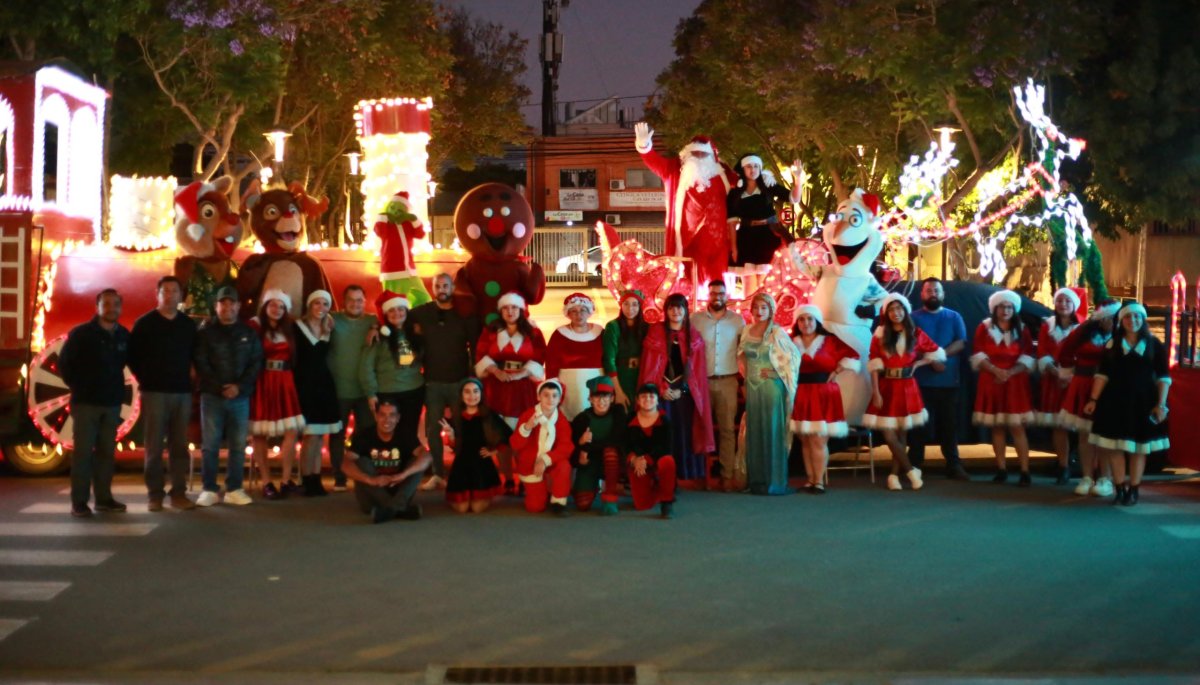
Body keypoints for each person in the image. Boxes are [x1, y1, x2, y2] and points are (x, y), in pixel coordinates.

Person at [1086, 303, 1171, 506]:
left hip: (1143, 403)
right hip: (1114, 402)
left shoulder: (1154, 345)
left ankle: (1133, 489)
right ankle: (1120, 488)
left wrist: (1161, 404)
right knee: (1115, 448)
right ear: (1121, 321)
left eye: (1136, 317)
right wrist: (1093, 400)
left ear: (1142, 320)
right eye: (1127, 317)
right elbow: (1102, 375)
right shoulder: (1112, 345)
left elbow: (1163, 377)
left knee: (1138, 449)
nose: (1132, 321)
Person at [633, 122, 738, 286]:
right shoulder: (674, 170)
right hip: (688, 240)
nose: (699, 157)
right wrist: (644, 146)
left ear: (711, 156)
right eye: (695, 153)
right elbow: (653, 161)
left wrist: (765, 177)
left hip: (718, 240)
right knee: (687, 281)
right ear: (687, 154)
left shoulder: (723, 173)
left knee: (718, 282)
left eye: (703, 154)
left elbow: (746, 184)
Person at [863, 294, 946, 492]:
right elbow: (874, 364)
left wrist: (920, 362)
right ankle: (910, 471)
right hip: (887, 386)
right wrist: (875, 391)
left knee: (902, 434)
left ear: (905, 310)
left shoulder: (914, 332)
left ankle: (893, 475)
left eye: (899, 309)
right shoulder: (880, 334)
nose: (896, 313)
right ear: (886, 313)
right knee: (889, 435)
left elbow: (936, 352)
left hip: (908, 386)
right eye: (891, 309)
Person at [128, 276, 197, 511]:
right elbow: (132, 357)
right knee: (154, 445)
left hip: (182, 392)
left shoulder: (188, 325)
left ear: (180, 295)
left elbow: (195, 357)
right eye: (165, 291)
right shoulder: (144, 323)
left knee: (179, 445)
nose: (170, 295)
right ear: (157, 294)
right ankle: (154, 495)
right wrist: (146, 378)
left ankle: (179, 493)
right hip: (154, 392)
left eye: (174, 291)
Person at [59, 289, 130, 517]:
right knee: (82, 454)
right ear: (97, 307)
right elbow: (65, 364)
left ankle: (103, 499)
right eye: (106, 304)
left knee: (106, 454)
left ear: (120, 308)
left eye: (115, 304)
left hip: (111, 403)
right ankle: (78, 503)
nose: (111, 308)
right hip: (86, 403)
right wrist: (78, 387)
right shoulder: (81, 334)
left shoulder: (123, 336)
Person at [192, 286, 262, 506]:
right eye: (223, 303)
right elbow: (201, 363)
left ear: (238, 306)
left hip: (240, 397)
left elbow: (255, 363)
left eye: (232, 303)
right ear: (217, 306)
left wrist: (238, 387)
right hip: (212, 396)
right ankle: (209, 489)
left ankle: (234, 488)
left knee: (238, 445)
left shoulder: (248, 333)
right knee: (210, 445)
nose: (228, 307)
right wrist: (220, 387)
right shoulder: (205, 333)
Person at [411, 272, 480, 491]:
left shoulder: (464, 315)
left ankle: (461, 473)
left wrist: (473, 378)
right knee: (433, 430)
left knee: (461, 429)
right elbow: (398, 316)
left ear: (452, 288)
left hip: (459, 384)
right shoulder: (422, 313)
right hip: (433, 382)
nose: (442, 289)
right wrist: (377, 327)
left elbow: (476, 347)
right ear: (433, 289)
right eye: (438, 286)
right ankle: (438, 474)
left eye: (446, 285)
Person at [475, 292, 546, 492]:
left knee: (523, 435)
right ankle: (507, 478)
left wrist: (522, 373)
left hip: (523, 388)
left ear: (521, 310)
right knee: (501, 436)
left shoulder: (533, 332)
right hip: (497, 386)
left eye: (514, 308)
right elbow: (481, 353)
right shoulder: (491, 331)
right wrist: (496, 371)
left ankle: (524, 477)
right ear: (501, 311)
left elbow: (540, 355)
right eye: (506, 308)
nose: (510, 312)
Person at [643, 293, 715, 488]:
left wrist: (681, 391)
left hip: (684, 396)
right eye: (672, 308)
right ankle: (661, 475)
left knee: (682, 433)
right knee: (662, 434)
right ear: (666, 311)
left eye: (680, 307)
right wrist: (661, 389)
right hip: (660, 395)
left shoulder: (694, 336)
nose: (676, 311)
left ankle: (681, 473)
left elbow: (696, 373)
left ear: (685, 310)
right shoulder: (656, 332)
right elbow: (651, 367)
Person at [790, 304, 860, 493]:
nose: (806, 323)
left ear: (817, 321)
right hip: (801, 394)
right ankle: (810, 479)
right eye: (802, 319)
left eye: (810, 319)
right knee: (805, 439)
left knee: (819, 440)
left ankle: (819, 481)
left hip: (824, 394)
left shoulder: (830, 342)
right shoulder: (790, 342)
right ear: (797, 322)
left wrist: (838, 369)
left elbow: (853, 356)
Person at [969, 290, 1036, 486]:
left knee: (1017, 427)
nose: (1005, 310)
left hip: (1016, 383)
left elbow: (1027, 355)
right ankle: (1001, 469)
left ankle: (1025, 470)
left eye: (1009, 307)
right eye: (1002, 306)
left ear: (1014, 309)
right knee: (997, 426)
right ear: (995, 309)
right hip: (991, 380)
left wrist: (1010, 372)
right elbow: (978, 353)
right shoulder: (984, 328)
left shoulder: (1022, 329)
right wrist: (996, 371)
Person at [908, 277, 970, 480]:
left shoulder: (954, 317)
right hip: (920, 382)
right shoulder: (912, 318)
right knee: (919, 427)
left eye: (936, 290)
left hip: (948, 382)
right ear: (922, 294)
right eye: (929, 290)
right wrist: (931, 360)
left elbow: (961, 343)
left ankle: (953, 464)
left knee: (948, 425)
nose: (933, 293)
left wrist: (939, 355)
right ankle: (914, 465)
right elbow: (908, 345)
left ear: (942, 294)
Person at [737, 292, 799, 495]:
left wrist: (776, 372)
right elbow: (741, 356)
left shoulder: (777, 332)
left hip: (772, 387)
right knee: (754, 430)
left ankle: (774, 481)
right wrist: (745, 379)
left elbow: (794, 358)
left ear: (771, 309)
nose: (759, 311)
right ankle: (757, 481)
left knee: (772, 429)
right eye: (756, 307)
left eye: (764, 308)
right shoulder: (747, 330)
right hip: (752, 386)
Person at [1057, 299, 1120, 497]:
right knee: (1085, 433)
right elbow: (1064, 352)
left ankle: (1105, 478)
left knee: (1104, 435)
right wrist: (1072, 370)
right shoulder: (1083, 331)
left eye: (1113, 317)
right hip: (1083, 384)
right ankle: (1086, 477)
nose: (1110, 320)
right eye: (1107, 317)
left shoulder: (1121, 334)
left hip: (1109, 387)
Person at [248, 289, 305, 500]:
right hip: (263, 380)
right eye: (273, 305)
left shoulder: (290, 329)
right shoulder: (255, 327)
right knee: (260, 433)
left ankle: (285, 479)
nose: (277, 309)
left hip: (285, 380)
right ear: (265, 306)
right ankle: (266, 481)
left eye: (281, 306)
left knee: (291, 431)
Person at [690, 279, 743, 490]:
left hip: (728, 381)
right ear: (708, 296)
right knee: (701, 428)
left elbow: (743, 351)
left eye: (721, 293)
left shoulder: (738, 321)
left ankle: (726, 476)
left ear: (726, 295)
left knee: (727, 430)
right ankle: (701, 475)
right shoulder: (695, 320)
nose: (717, 297)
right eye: (713, 293)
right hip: (701, 382)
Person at [340, 399, 430, 523]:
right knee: (361, 462)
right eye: (382, 415)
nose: (387, 420)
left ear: (398, 418)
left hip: (398, 492)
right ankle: (399, 509)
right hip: (370, 497)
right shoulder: (364, 435)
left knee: (417, 463)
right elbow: (345, 463)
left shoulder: (405, 434)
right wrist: (370, 480)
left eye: (392, 415)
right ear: (376, 416)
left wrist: (403, 475)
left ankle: (389, 510)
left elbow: (427, 456)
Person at [726, 154, 801, 296]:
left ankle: (764, 312)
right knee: (748, 281)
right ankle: (749, 313)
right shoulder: (735, 191)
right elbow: (732, 222)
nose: (752, 169)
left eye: (756, 166)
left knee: (763, 280)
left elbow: (794, 198)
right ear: (743, 169)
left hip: (768, 234)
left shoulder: (767, 183)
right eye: (749, 166)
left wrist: (798, 179)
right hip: (746, 236)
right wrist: (734, 248)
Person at [293, 290, 343, 496]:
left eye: (325, 304)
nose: (321, 308)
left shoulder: (328, 328)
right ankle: (306, 479)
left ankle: (316, 478)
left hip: (324, 383)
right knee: (309, 436)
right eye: (317, 304)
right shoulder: (297, 327)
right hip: (304, 384)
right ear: (310, 305)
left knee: (320, 435)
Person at [327, 285, 377, 491]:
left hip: (364, 392)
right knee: (337, 435)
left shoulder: (372, 321)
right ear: (343, 301)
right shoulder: (332, 320)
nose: (355, 304)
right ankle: (339, 476)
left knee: (365, 434)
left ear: (364, 302)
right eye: (351, 300)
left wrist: (375, 328)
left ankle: (362, 473)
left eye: (359, 300)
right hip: (338, 390)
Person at [360, 291, 424, 443]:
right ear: (386, 314)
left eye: (400, 309)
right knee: (387, 435)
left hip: (414, 391)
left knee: (409, 435)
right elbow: (365, 366)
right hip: (387, 393)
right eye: (392, 310)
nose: (397, 313)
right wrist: (371, 393)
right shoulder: (378, 336)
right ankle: (389, 466)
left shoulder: (415, 332)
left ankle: (408, 466)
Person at [441, 378, 510, 514]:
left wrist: (494, 451)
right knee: (462, 509)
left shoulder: (489, 415)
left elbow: (507, 435)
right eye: (467, 392)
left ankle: (483, 496)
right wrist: (450, 435)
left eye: (475, 391)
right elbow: (455, 446)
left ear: (481, 394)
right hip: (462, 463)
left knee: (477, 509)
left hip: (481, 463)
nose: (472, 396)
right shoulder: (456, 417)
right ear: (461, 395)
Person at [1036, 288, 1081, 484]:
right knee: (1059, 424)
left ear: (1074, 306)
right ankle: (1063, 465)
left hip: (1077, 381)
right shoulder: (1047, 326)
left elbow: (1086, 353)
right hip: (1054, 380)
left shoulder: (1082, 328)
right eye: (1059, 301)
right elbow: (1043, 353)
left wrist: (1071, 375)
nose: (1063, 304)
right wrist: (1057, 373)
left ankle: (1080, 462)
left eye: (1067, 301)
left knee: (1080, 425)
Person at [509, 379, 574, 516]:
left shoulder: (561, 421)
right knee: (535, 507)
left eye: (554, 395)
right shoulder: (528, 416)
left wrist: (545, 459)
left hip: (551, 462)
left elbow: (566, 447)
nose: (550, 399)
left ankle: (558, 501)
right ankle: (541, 489)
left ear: (559, 398)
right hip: (530, 463)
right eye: (546, 395)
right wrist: (527, 428)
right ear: (538, 397)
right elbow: (515, 444)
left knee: (564, 466)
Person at [569, 376, 627, 514]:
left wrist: (587, 446)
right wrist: (580, 447)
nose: (601, 401)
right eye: (597, 397)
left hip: (611, 462)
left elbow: (616, 440)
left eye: (605, 397)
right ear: (590, 399)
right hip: (590, 464)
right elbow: (572, 451)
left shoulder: (618, 413)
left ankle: (610, 498)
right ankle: (592, 486)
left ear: (612, 398)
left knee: (611, 451)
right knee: (582, 504)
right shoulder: (582, 419)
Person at [544, 292, 605, 419]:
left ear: (589, 312)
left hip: (596, 387)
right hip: (569, 390)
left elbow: (609, 359)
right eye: (574, 311)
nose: (579, 315)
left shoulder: (600, 332)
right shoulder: (559, 334)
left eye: (583, 310)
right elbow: (551, 364)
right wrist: (553, 389)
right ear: (568, 314)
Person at [624, 383, 677, 519]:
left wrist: (646, 460)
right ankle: (659, 488)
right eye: (643, 396)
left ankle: (667, 501)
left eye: (651, 396)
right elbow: (623, 444)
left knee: (668, 461)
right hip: (637, 462)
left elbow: (667, 448)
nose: (647, 399)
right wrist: (633, 459)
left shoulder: (665, 421)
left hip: (656, 460)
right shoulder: (629, 419)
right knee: (642, 505)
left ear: (658, 400)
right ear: (637, 400)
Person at [602, 290, 647, 408]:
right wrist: (618, 391)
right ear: (621, 305)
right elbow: (609, 360)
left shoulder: (646, 328)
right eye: (626, 304)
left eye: (634, 304)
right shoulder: (613, 327)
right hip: (621, 377)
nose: (630, 308)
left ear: (640, 306)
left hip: (641, 376)